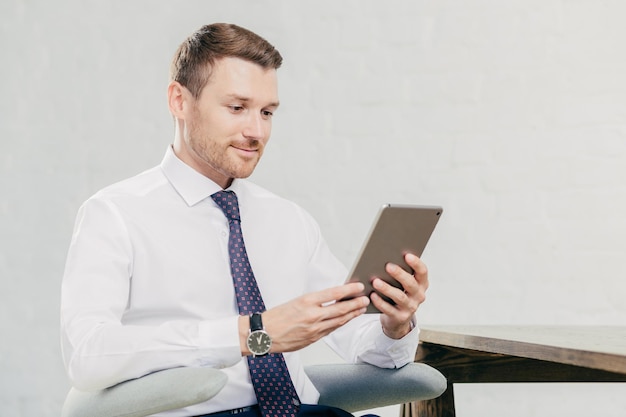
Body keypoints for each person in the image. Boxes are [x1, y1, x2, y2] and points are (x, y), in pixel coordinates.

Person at [60, 23, 429, 417]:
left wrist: (395, 325)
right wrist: (252, 334)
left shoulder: (288, 220)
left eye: (267, 112)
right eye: (237, 108)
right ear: (179, 101)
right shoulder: (116, 213)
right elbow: (88, 353)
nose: (256, 131)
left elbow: (363, 342)